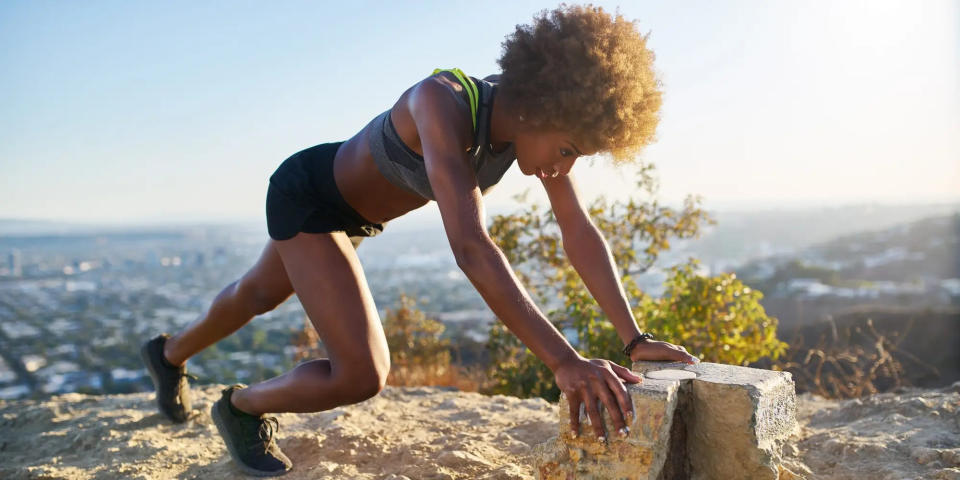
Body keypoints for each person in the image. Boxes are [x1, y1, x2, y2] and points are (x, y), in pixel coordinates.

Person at [140, 4, 700, 476]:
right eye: (568, 149)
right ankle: (239, 407)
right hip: (307, 194)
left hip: (350, 215)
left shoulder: (532, 125)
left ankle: (166, 356)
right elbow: (471, 247)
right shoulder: (442, 103)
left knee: (256, 293)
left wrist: (633, 338)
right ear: (541, 108)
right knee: (360, 374)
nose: (567, 165)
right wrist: (564, 361)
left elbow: (577, 231)